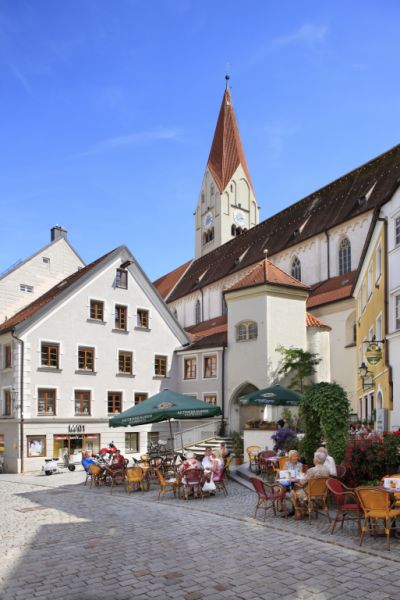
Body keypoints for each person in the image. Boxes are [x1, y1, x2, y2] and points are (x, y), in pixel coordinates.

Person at [291, 451, 330, 518]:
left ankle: (298, 512)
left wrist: (295, 481)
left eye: (314, 458)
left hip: (310, 494)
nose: (313, 459)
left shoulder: (312, 470)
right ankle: (306, 510)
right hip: (322, 494)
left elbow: (302, 483)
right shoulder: (327, 470)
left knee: (293, 492)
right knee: (305, 489)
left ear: (316, 460)